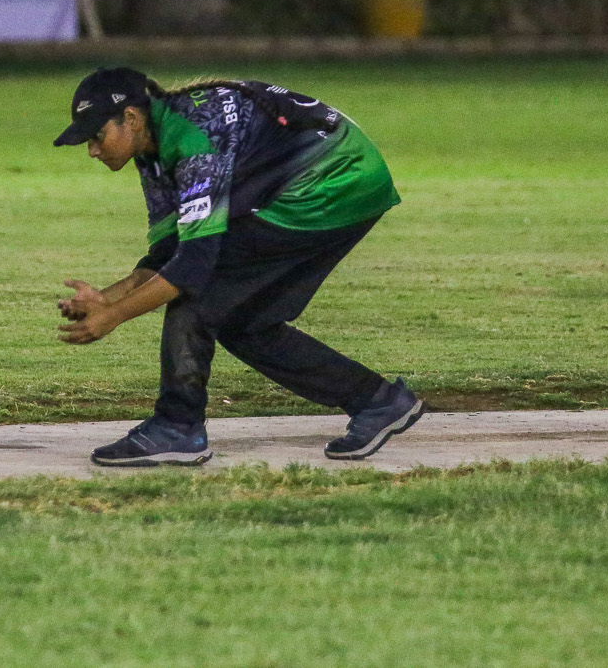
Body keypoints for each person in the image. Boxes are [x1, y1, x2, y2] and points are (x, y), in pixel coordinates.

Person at [52, 68, 425, 466]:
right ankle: (378, 401)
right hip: (343, 179)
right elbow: (168, 251)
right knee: (242, 321)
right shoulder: (155, 147)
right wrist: (106, 299)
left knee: (200, 294)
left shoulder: (192, 138)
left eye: (96, 136)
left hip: (334, 181)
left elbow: (191, 266)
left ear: (131, 118)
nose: (92, 150)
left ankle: (177, 426)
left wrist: (114, 315)